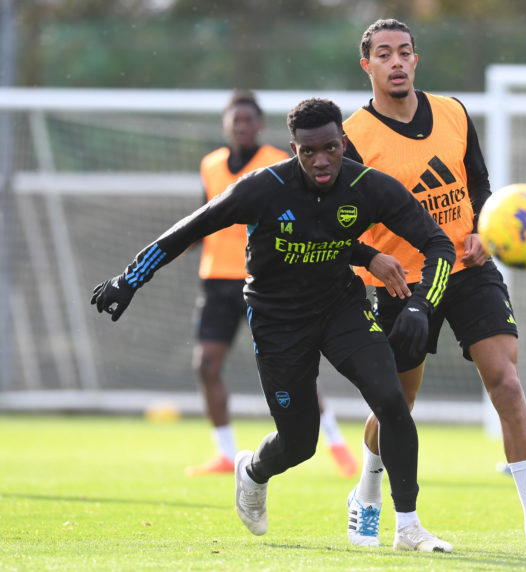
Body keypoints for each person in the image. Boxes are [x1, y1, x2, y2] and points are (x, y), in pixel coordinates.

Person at [91, 97, 456, 552]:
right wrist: (129, 279)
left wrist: (423, 306)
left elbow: (440, 244)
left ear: (343, 143)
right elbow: (190, 228)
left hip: (340, 307)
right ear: (293, 148)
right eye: (308, 152)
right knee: (300, 443)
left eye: (329, 148)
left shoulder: (369, 186)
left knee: (391, 402)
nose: (320, 161)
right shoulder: (263, 187)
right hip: (277, 320)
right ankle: (253, 472)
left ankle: (408, 527)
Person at [342, 18, 526, 554]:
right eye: (384, 55)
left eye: (404, 52)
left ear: (416, 59)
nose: (396, 62)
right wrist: (374, 260)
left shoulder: (454, 112)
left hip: (468, 269)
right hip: (405, 282)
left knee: (507, 383)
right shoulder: (353, 136)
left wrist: (487, 234)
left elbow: (481, 187)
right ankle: (367, 489)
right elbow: (343, 223)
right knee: (399, 403)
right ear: (367, 65)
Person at [185, 90, 357, 479]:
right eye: (236, 120)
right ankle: (226, 452)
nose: (242, 126)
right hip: (216, 280)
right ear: (227, 125)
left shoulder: (278, 163)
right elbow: (206, 215)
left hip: (266, 282)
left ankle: (335, 443)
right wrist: (181, 244)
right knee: (206, 364)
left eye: (249, 120)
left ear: (260, 125)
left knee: (294, 370)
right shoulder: (210, 164)